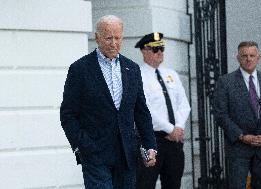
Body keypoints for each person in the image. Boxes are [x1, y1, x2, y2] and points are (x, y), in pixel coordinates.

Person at [60, 15, 157, 189]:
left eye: (118, 38)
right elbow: (68, 114)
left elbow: (141, 111)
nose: (114, 43)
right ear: (97, 38)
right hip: (95, 154)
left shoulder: (132, 69)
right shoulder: (80, 69)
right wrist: (82, 146)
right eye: (108, 38)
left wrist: (150, 145)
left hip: (127, 155)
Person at [214, 41, 261, 189]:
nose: (248, 59)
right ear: (238, 58)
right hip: (238, 149)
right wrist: (241, 136)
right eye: (244, 55)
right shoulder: (226, 82)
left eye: (252, 55)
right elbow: (221, 115)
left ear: (258, 57)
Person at [135, 32, 191, 189]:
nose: (159, 52)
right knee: (145, 183)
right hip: (151, 140)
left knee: (173, 183)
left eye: (161, 48)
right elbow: (144, 109)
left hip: (174, 141)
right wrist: (170, 128)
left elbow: (183, 104)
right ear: (144, 51)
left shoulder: (171, 74)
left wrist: (178, 127)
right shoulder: (137, 75)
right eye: (154, 49)